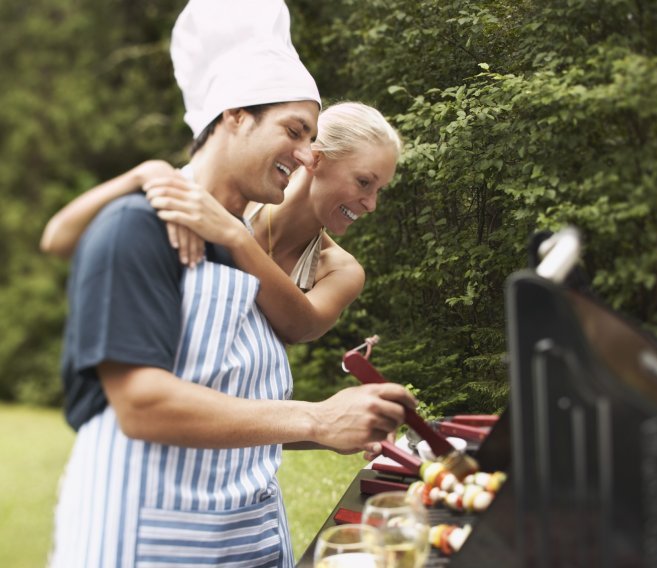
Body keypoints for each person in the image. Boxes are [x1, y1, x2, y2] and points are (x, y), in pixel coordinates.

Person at [48, 1, 415, 566]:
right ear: (234, 115)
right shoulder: (141, 225)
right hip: (146, 543)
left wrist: (336, 423)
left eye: (311, 139)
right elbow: (143, 404)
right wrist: (315, 417)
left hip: (247, 541)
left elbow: (232, 403)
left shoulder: (249, 251)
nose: (305, 155)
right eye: (294, 131)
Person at [40, 101, 402, 344]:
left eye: (379, 190)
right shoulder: (224, 199)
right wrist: (144, 173)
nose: (371, 204)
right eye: (364, 182)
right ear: (315, 159)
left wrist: (234, 239)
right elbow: (59, 239)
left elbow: (302, 325)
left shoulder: (339, 270)